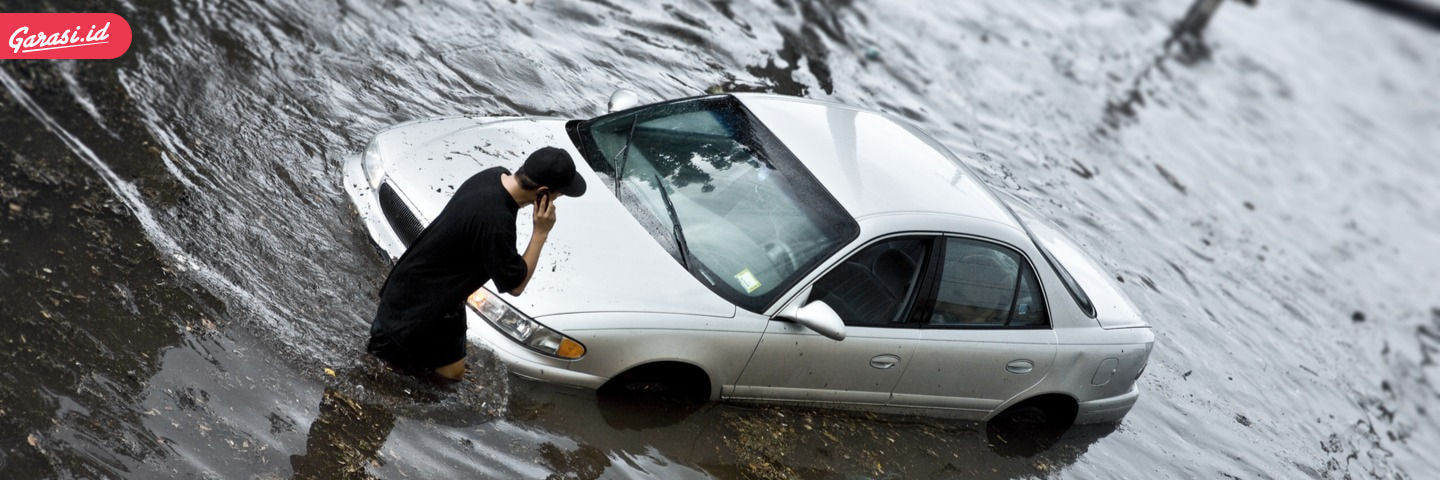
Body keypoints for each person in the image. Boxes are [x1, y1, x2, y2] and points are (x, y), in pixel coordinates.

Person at [367, 146, 586, 383]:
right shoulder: (497, 221)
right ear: (543, 192)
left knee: (452, 375)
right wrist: (540, 232)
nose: (556, 201)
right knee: (381, 376)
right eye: (557, 195)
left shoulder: (492, 176)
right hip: (414, 311)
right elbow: (516, 285)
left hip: (435, 297)